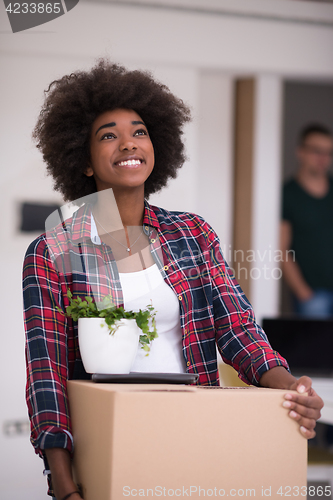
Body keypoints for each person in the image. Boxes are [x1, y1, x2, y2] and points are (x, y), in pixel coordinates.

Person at [23, 60, 323, 500]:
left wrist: (290, 385)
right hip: (107, 439)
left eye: (139, 131)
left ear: (156, 145)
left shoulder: (192, 233)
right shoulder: (53, 250)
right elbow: (45, 370)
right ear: (83, 161)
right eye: (108, 135)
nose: (128, 142)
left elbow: (237, 328)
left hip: (193, 428)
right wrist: (63, 483)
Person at [281, 124, 333, 317]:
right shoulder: (288, 194)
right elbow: (281, 249)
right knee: (316, 347)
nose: (323, 159)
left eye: (328, 153)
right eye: (317, 151)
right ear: (300, 152)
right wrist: (304, 293)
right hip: (312, 295)